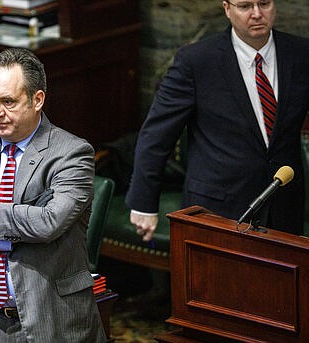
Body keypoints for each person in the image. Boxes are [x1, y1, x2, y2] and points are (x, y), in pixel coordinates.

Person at [0, 48, 106, 342]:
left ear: (37, 100)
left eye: (8, 102)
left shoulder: (72, 153)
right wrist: (0, 238)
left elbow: (49, 223)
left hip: (52, 319)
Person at [126, 0, 309, 241]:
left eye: (264, 3)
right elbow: (157, 135)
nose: (256, 14)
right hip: (217, 209)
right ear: (227, 8)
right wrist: (143, 204)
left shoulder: (301, 53)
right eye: (245, 6)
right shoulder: (196, 61)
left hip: (284, 206)